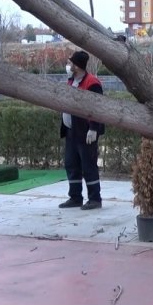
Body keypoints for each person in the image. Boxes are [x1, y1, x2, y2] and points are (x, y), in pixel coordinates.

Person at [58, 51, 105, 210]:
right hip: (72, 132)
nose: (68, 65)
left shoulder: (92, 83)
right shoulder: (71, 81)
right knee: (72, 164)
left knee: (88, 166)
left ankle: (95, 199)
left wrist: (93, 129)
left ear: (77, 66)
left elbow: (98, 107)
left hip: (86, 133)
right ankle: (75, 197)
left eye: (70, 63)